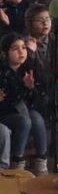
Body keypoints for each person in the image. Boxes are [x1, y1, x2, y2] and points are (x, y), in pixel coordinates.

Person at [0, 34, 48, 175]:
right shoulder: (3, 73)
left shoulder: (27, 70)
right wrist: (24, 89)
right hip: (6, 115)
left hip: (23, 112)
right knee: (24, 120)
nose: (21, 52)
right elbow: (9, 103)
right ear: (5, 53)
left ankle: (41, 160)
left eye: (23, 48)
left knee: (37, 118)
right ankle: (17, 161)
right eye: (15, 49)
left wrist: (31, 88)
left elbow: (37, 102)